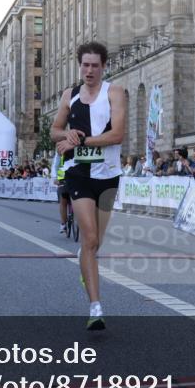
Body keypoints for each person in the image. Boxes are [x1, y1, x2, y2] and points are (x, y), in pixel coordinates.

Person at [50, 42, 126, 331]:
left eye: (95, 65)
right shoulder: (69, 95)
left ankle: (86, 260)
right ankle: (95, 307)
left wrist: (80, 141)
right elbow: (54, 130)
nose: (90, 70)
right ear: (79, 66)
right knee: (90, 237)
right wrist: (65, 135)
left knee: (96, 243)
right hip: (78, 173)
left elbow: (117, 135)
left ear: (103, 66)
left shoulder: (114, 92)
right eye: (85, 65)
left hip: (108, 175)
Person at [55, 152, 73, 234]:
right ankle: (63, 224)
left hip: (77, 176)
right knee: (63, 200)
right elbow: (57, 165)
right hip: (63, 176)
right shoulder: (62, 151)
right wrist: (56, 178)